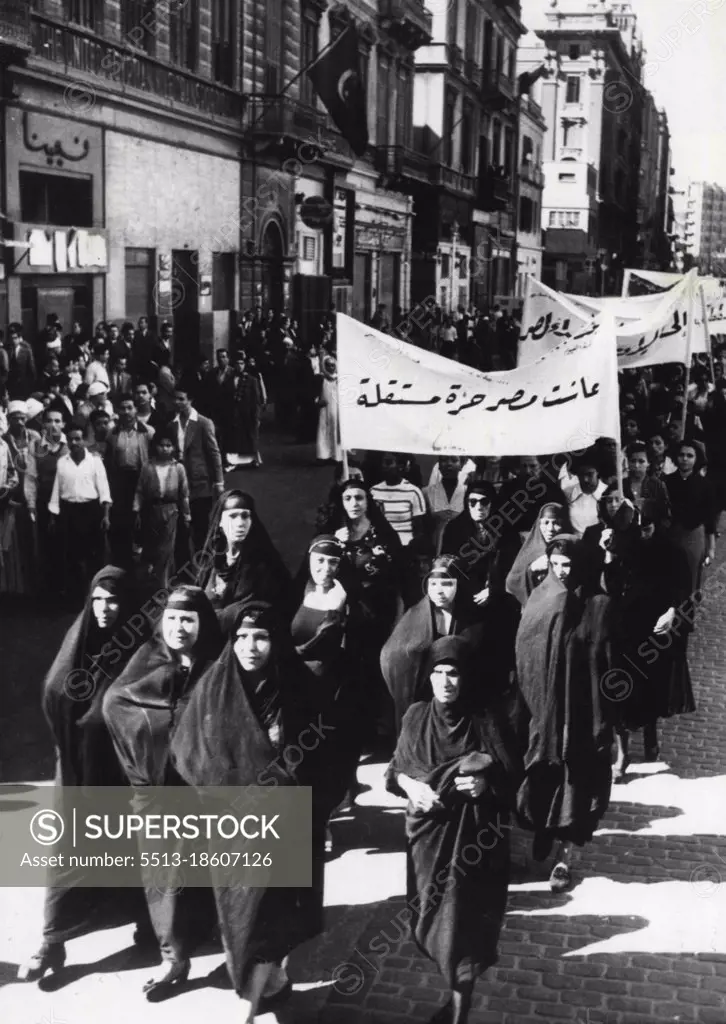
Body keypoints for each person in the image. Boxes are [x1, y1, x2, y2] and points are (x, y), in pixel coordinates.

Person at [170, 601, 323, 1019]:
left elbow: (326, 754)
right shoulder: (214, 687)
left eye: (260, 637)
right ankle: (267, 989)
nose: (249, 646)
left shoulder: (300, 689)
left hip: (283, 823)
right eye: (240, 637)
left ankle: (260, 999)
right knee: (239, 918)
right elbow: (188, 751)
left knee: (269, 917)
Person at [18, 567, 153, 984]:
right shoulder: (79, 639)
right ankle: (52, 941)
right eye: (96, 599)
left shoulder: (142, 646)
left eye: (112, 600)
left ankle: (148, 927)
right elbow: (55, 689)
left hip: (121, 770)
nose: (103, 609)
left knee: (132, 850)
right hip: (78, 769)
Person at [386, 636, 523, 1024]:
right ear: (428, 678)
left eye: (454, 674)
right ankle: (455, 994)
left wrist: (485, 786)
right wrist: (413, 787)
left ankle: (460, 1012)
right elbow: (395, 770)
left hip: (473, 845)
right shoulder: (414, 716)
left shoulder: (486, 719)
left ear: (466, 679)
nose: (445, 682)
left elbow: (513, 777)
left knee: (462, 932)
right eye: (438, 673)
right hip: (426, 844)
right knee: (431, 926)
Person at [102, 587, 222, 1000]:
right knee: (164, 873)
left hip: (209, 787)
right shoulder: (147, 660)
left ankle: (206, 929)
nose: (179, 627)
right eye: (172, 619)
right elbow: (115, 702)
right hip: (159, 789)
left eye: (188, 619)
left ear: (202, 623)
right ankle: (173, 957)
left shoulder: (219, 663)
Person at [515, 535, 615, 892]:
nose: (562, 572)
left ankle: (565, 856)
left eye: (568, 565)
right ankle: (544, 831)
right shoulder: (543, 597)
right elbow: (525, 652)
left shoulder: (599, 604)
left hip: (582, 713)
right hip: (543, 711)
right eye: (555, 565)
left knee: (576, 782)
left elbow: (607, 664)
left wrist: (606, 722)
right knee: (543, 776)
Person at [604, 514, 695, 779]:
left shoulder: (672, 551)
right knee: (620, 687)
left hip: (656, 629)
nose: (643, 532)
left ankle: (650, 734)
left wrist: (672, 612)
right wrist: (609, 557)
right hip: (625, 627)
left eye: (648, 526)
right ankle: (622, 754)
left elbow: (683, 587)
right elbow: (610, 585)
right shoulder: (622, 546)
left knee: (650, 684)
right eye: (639, 526)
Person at [328, 478, 404, 745]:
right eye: (348, 498)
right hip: (345, 616)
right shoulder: (334, 533)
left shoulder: (382, 534)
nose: (354, 504)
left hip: (377, 614)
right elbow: (317, 569)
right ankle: (352, 734)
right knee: (348, 675)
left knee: (376, 672)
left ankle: (380, 733)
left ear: (368, 501)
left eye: (359, 498)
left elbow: (398, 574)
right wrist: (335, 543)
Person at [194, 489, 291, 632]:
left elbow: (275, 612)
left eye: (245, 516)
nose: (240, 523)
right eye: (232, 516)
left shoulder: (266, 567)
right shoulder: (210, 562)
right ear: (220, 522)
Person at [48, 424, 112, 599]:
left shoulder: (95, 461)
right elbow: (56, 490)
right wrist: (53, 516)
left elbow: (104, 489)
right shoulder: (62, 462)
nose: (74, 442)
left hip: (91, 511)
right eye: (71, 439)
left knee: (94, 555)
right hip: (69, 511)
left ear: (84, 440)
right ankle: (75, 595)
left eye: (78, 439)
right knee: (72, 556)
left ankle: (97, 594)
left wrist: (105, 516)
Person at [133, 430, 191, 587]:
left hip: (171, 510)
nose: (165, 449)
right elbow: (140, 491)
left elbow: (184, 494)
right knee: (151, 549)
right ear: (155, 446)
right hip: (151, 511)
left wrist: (186, 515)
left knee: (166, 551)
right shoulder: (148, 467)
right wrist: (136, 511)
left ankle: (163, 585)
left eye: (168, 445)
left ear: (173, 447)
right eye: (161, 445)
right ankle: (152, 583)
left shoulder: (178, 468)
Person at [171, 386, 224, 551]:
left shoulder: (203, 423)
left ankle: (205, 566)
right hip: (179, 483)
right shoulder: (172, 424)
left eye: (182, 399)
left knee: (201, 528)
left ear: (190, 400)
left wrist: (218, 481)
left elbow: (214, 453)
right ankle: (185, 570)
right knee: (182, 528)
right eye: (175, 399)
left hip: (199, 482)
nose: (177, 402)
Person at [105, 396, 154, 568]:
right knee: (122, 521)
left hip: (140, 478)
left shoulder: (147, 432)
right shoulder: (112, 433)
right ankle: (124, 563)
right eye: (122, 408)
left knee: (143, 519)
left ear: (135, 410)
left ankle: (146, 562)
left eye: (129, 408)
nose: (126, 412)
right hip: (120, 481)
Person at [665, 439, 717, 594]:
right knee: (668, 577)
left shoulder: (705, 485)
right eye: (681, 455)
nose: (685, 459)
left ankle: (686, 616)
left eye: (690, 455)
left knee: (690, 579)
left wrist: (711, 547)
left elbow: (710, 518)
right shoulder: (666, 482)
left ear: (696, 459)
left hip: (693, 537)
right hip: (670, 534)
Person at [25, 408, 68, 592]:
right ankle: (49, 589)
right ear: (43, 425)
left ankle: (66, 586)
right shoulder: (35, 447)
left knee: (66, 544)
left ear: (63, 424)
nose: (53, 425)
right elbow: (30, 477)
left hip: (67, 503)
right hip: (44, 500)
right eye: (49, 421)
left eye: (58, 421)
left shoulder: (71, 444)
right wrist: (31, 504)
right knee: (46, 544)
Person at [505, 502, 571, 607]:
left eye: (556, 523)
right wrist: (532, 569)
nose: (550, 529)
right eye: (545, 523)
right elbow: (512, 581)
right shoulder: (531, 549)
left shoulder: (571, 548)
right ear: (538, 524)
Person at [370, 451, 428, 548]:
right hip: (380, 547)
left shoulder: (413, 492)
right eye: (383, 463)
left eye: (388, 463)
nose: (384, 466)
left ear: (400, 466)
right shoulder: (374, 491)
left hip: (405, 546)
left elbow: (418, 528)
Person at [226, 352, 265, 469]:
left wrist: (257, 416)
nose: (239, 366)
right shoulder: (229, 379)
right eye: (237, 363)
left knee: (251, 437)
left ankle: (254, 459)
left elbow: (257, 400)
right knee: (236, 438)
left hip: (248, 412)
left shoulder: (252, 380)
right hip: (235, 413)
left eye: (242, 363)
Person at [623, 442, 671, 533]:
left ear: (648, 463)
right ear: (628, 462)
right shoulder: (620, 485)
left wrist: (655, 527)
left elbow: (666, 517)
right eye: (633, 461)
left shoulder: (657, 485)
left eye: (641, 461)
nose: (637, 465)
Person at [424, 456, 469, 554]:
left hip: (461, 549)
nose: (449, 464)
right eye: (444, 460)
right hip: (433, 548)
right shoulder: (426, 492)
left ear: (461, 465)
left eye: (454, 460)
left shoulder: (468, 493)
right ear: (438, 465)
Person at [559, 455, 608, 537]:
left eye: (590, 474)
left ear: (598, 472)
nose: (585, 479)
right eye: (581, 474)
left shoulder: (607, 493)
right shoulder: (569, 492)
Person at [315, 353, 341, 465]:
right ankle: (323, 455)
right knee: (323, 431)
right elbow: (314, 394)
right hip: (324, 410)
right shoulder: (321, 379)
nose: (330, 367)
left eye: (332, 365)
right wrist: (317, 401)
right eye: (328, 365)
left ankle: (336, 455)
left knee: (336, 430)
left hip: (336, 409)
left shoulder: (339, 379)